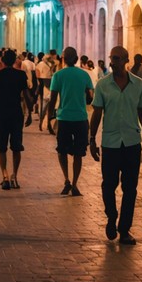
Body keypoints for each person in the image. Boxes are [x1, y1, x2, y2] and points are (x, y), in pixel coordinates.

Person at [89, 46, 142, 245]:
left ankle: (124, 229)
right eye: (111, 58)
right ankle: (111, 216)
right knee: (108, 185)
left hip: (132, 143)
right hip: (110, 143)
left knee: (130, 188)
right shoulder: (103, 85)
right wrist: (92, 139)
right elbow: (97, 113)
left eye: (116, 59)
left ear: (126, 60)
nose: (112, 62)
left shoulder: (139, 85)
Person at [48, 47, 94, 197]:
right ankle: (75, 183)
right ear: (77, 59)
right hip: (81, 118)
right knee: (78, 153)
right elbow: (90, 97)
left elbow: (53, 98)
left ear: (63, 59)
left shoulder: (58, 75)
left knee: (62, 150)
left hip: (63, 118)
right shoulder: (84, 75)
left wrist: (49, 117)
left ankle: (66, 180)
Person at [0, 50, 34, 190]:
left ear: (2, 60)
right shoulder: (20, 75)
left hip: (1, 112)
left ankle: (5, 175)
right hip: (16, 113)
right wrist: (30, 113)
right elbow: (26, 95)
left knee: (1, 147)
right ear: (15, 60)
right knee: (16, 146)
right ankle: (15, 176)